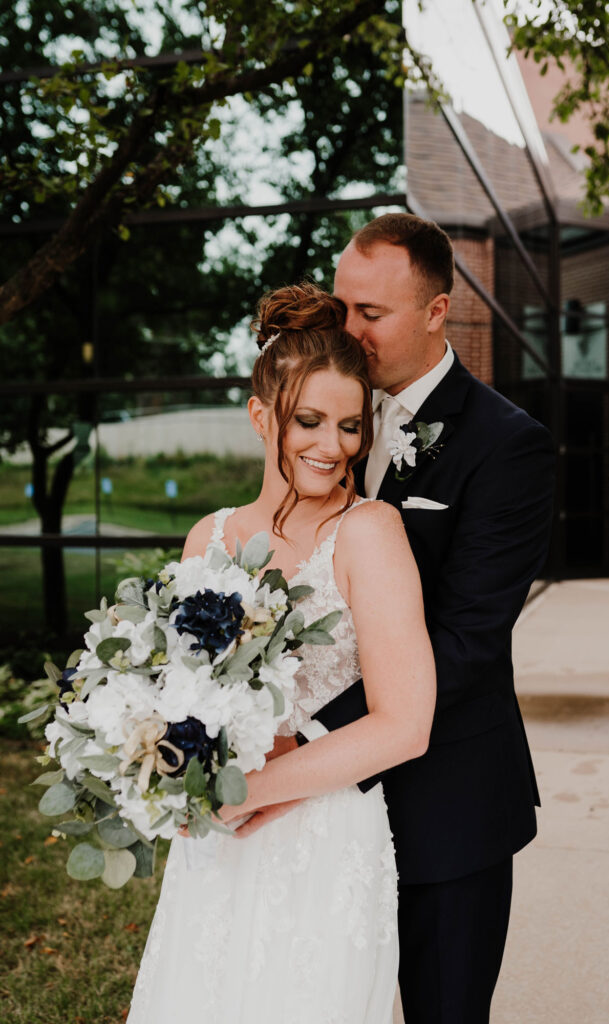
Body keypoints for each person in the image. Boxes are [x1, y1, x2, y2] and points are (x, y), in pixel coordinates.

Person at [239, 214, 556, 1023]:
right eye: (341, 305)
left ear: (435, 311)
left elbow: (467, 640)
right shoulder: (324, 409)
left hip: (447, 803)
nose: (347, 329)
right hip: (313, 815)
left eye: (369, 314)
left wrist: (306, 738)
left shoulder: (506, 446)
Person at [126, 282, 436, 1024]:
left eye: (350, 426)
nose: (331, 446)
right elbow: (179, 694)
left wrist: (250, 792)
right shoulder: (209, 535)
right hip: (213, 846)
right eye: (308, 421)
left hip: (322, 838)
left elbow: (406, 724)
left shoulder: (369, 533)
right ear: (261, 415)